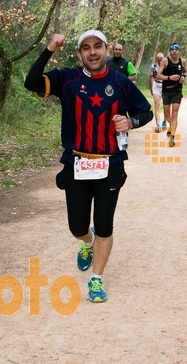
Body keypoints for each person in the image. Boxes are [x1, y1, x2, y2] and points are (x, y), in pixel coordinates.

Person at [24, 30, 153, 302]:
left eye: (97, 47)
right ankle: (87, 241)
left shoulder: (121, 83)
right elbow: (31, 81)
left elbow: (146, 111)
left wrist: (131, 123)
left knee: (105, 224)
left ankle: (96, 280)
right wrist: (49, 49)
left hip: (111, 164)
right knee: (77, 227)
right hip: (77, 162)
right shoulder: (67, 79)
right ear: (80, 54)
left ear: (106, 50)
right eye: (86, 48)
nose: (92, 52)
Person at [157, 43, 187, 147]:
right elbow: (158, 75)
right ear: (170, 51)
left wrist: (183, 77)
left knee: (175, 114)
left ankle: (172, 137)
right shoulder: (165, 61)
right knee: (167, 115)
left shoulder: (182, 61)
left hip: (177, 91)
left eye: (176, 49)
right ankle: (171, 126)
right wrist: (169, 78)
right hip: (166, 91)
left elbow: (185, 72)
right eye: (172, 49)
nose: (174, 51)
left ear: (179, 51)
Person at [148, 52, 166, 132]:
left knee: (166, 106)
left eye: (161, 60)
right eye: (158, 60)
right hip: (156, 85)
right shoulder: (153, 66)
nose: (159, 61)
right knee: (157, 105)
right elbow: (150, 78)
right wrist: (151, 89)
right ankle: (158, 125)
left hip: (165, 86)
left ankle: (164, 122)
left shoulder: (167, 66)